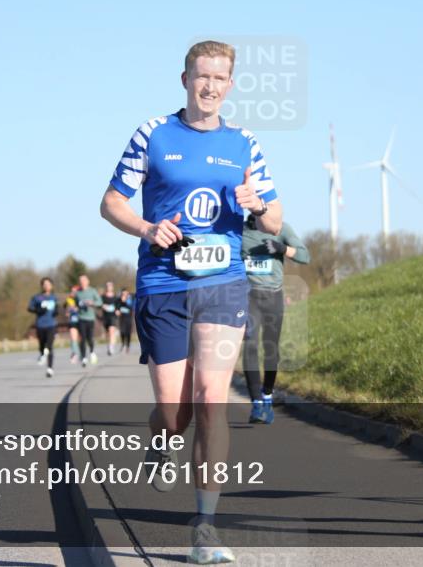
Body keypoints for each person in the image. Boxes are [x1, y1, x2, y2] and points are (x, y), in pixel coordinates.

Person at [100, 40, 282, 565]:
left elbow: (272, 217)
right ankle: (161, 440)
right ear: (185, 79)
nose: (210, 86)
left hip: (223, 281)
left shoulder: (244, 143)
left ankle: (204, 526)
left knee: (210, 399)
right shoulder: (153, 134)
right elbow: (111, 201)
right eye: (201, 76)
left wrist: (258, 205)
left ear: (231, 84)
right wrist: (146, 226)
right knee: (175, 412)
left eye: (219, 78)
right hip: (163, 282)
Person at [241, 214, 309, 424]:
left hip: (274, 297)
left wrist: (282, 250)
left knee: (271, 349)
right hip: (249, 296)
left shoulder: (282, 229)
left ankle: (267, 395)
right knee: (249, 346)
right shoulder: (239, 230)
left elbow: (306, 256)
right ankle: (257, 404)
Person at [27, 277, 59, 377]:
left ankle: (49, 368)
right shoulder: (37, 297)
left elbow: (57, 310)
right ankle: (42, 354)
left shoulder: (54, 297)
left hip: (51, 324)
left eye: (48, 284)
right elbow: (30, 308)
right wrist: (39, 310)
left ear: (51, 286)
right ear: (42, 286)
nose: (46, 286)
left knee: (50, 346)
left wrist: (56, 311)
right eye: (44, 284)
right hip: (40, 324)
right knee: (42, 345)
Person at [74, 274, 102, 365]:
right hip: (81, 318)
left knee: (90, 338)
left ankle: (92, 352)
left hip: (90, 318)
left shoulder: (92, 291)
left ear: (87, 281)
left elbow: (100, 302)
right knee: (82, 338)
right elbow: (75, 305)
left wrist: (92, 303)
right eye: (80, 281)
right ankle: (83, 357)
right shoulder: (77, 293)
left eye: (84, 280)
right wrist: (74, 308)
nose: (82, 282)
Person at [101, 281, 119, 356]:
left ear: (112, 287)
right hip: (105, 316)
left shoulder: (115, 297)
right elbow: (99, 304)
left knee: (111, 330)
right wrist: (103, 306)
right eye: (107, 286)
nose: (109, 287)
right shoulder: (103, 297)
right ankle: (109, 344)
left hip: (113, 316)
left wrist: (118, 310)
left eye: (110, 286)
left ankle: (111, 347)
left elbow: (118, 305)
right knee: (107, 333)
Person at [66, 290, 81, 365]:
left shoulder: (81, 300)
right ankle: (74, 353)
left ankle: (82, 354)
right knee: (73, 337)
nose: (73, 293)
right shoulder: (68, 300)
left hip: (81, 321)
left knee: (81, 338)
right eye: (72, 292)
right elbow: (66, 311)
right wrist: (68, 311)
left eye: (75, 292)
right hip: (72, 321)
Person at [117, 288, 135, 353]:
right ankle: (123, 344)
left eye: (125, 293)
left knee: (128, 333)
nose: (124, 295)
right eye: (123, 293)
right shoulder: (119, 300)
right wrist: (117, 310)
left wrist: (125, 301)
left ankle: (128, 346)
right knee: (122, 332)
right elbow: (117, 307)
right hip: (122, 318)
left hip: (129, 318)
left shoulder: (130, 299)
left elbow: (131, 307)